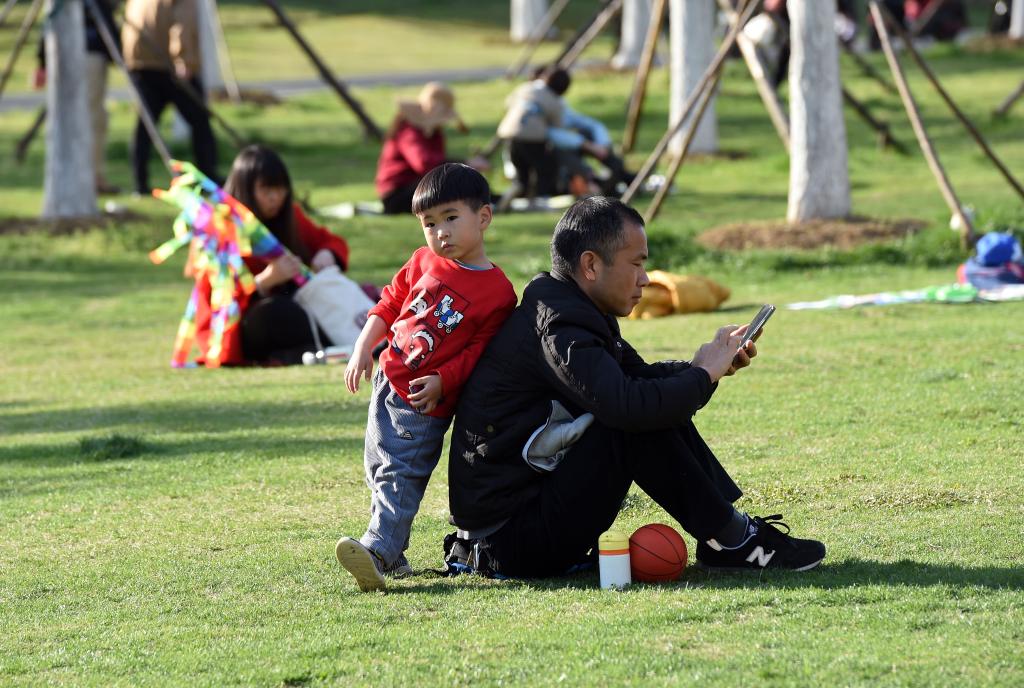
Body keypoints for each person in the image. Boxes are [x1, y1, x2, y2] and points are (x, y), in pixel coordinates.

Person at [446, 197, 826, 579]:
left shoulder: (574, 311)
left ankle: (730, 538)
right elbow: (629, 407)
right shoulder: (561, 327)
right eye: (637, 263)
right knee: (629, 420)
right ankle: (733, 540)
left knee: (642, 404)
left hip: (527, 521)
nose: (645, 278)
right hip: (509, 542)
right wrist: (701, 376)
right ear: (591, 264)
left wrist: (704, 366)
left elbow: (640, 381)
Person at [336, 163, 517, 592]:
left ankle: (377, 550)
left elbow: (481, 354)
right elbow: (389, 302)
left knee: (401, 473)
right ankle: (394, 556)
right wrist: (364, 347)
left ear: (484, 217)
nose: (441, 233)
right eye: (429, 223)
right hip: (387, 381)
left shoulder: (498, 292)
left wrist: (443, 382)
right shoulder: (423, 261)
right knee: (378, 467)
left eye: (451, 218)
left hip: (423, 402)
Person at [192, 145, 351, 366]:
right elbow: (217, 299)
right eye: (267, 191)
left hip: (299, 307)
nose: (276, 198)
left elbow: (332, 242)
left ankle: (325, 344)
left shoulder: (290, 216)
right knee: (273, 313)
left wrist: (327, 254)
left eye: (280, 189)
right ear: (246, 189)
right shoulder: (221, 230)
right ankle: (339, 340)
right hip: (245, 327)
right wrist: (265, 281)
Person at [122, 0, 218, 195]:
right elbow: (183, 22)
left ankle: (140, 183)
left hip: (140, 62)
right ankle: (209, 177)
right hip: (171, 66)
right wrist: (184, 59)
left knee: (146, 126)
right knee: (200, 120)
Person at [497, 67, 634, 202]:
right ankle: (541, 197)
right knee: (545, 168)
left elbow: (508, 103)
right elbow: (557, 131)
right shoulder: (554, 101)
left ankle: (518, 192)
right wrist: (587, 145)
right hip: (532, 139)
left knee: (522, 173)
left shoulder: (525, 88)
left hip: (509, 134)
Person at [34, 0, 120, 194]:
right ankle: (93, 177)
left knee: (85, 119)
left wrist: (42, 61)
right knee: (92, 120)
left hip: (64, 55)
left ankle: (90, 175)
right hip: (88, 56)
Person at [374, 82, 489, 215]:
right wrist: (466, 164)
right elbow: (424, 164)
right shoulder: (409, 131)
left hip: (417, 187)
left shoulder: (434, 133)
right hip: (397, 194)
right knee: (452, 183)